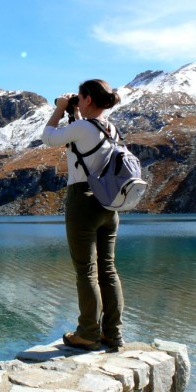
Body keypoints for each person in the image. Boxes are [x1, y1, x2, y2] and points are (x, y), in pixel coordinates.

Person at [41, 79, 125, 351]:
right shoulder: (110, 128)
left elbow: (48, 137)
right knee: (108, 270)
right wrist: (73, 112)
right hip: (109, 204)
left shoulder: (81, 127)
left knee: (86, 271)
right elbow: (83, 138)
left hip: (83, 202)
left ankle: (87, 333)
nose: (76, 99)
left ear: (87, 99)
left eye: (79, 96)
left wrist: (60, 108)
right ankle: (112, 334)